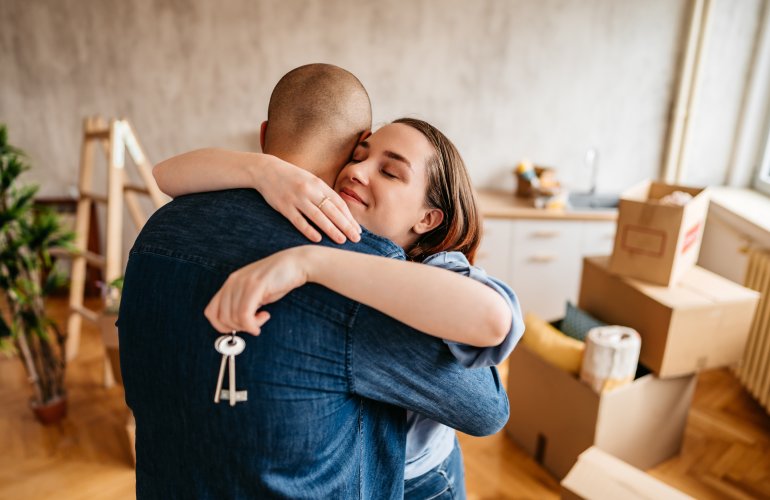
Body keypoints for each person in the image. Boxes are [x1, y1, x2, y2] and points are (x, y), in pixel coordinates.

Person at [118, 63, 510, 499]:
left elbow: (492, 339)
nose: (359, 172)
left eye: (390, 170)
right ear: (347, 151)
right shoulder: (355, 260)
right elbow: (486, 407)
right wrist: (265, 174)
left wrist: (308, 259)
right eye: (360, 156)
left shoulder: (160, 227)